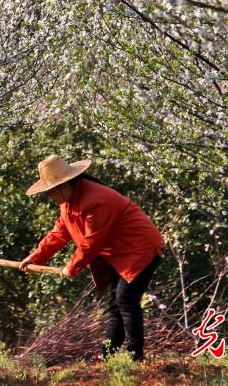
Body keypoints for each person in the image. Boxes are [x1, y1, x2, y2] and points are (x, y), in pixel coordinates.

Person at [18, 154, 165, 362]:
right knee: (116, 306)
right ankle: (107, 357)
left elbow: (92, 242)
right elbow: (59, 233)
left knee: (125, 300)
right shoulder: (68, 202)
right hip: (119, 254)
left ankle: (136, 358)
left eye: (50, 191)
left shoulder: (96, 200)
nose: (49, 195)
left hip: (140, 249)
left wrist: (71, 266)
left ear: (64, 185)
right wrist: (35, 257)